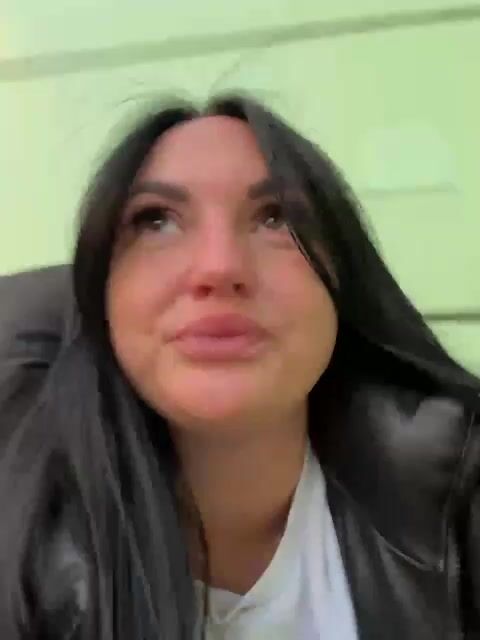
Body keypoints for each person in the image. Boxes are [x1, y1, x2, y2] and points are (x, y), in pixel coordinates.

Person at [0, 95, 479, 640]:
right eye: (155, 220)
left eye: (276, 217)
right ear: (100, 296)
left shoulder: (459, 488)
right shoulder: (22, 532)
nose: (219, 266)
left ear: (340, 282)